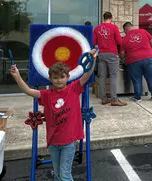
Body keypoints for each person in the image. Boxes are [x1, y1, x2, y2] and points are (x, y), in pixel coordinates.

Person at [9, 49, 97, 181]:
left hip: (69, 141)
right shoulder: (46, 95)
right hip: (54, 142)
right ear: (50, 79)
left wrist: (93, 60)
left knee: (65, 175)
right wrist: (17, 76)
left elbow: (87, 73)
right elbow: (28, 90)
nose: (59, 80)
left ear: (67, 77)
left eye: (62, 77)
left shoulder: (73, 89)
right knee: (57, 174)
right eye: (55, 77)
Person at [94, 12, 127, 106]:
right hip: (112, 53)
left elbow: (94, 42)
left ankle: (103, 99)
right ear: (111, 18)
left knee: (102, 76)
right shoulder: (114, 27)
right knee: (113, 76)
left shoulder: (97, 28)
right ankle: (114, 99)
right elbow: (120, 41)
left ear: (103, 18)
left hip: (101, 54)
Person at [121, 22, 152, 102]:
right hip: (148, 58)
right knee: (150, 77)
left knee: (137, 79)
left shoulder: (125, 38)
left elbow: (122, 53)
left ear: (125, 29)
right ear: (132, 27)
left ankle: (138, 97)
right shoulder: (143, 31)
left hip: (134, 60)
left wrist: (122, 58)